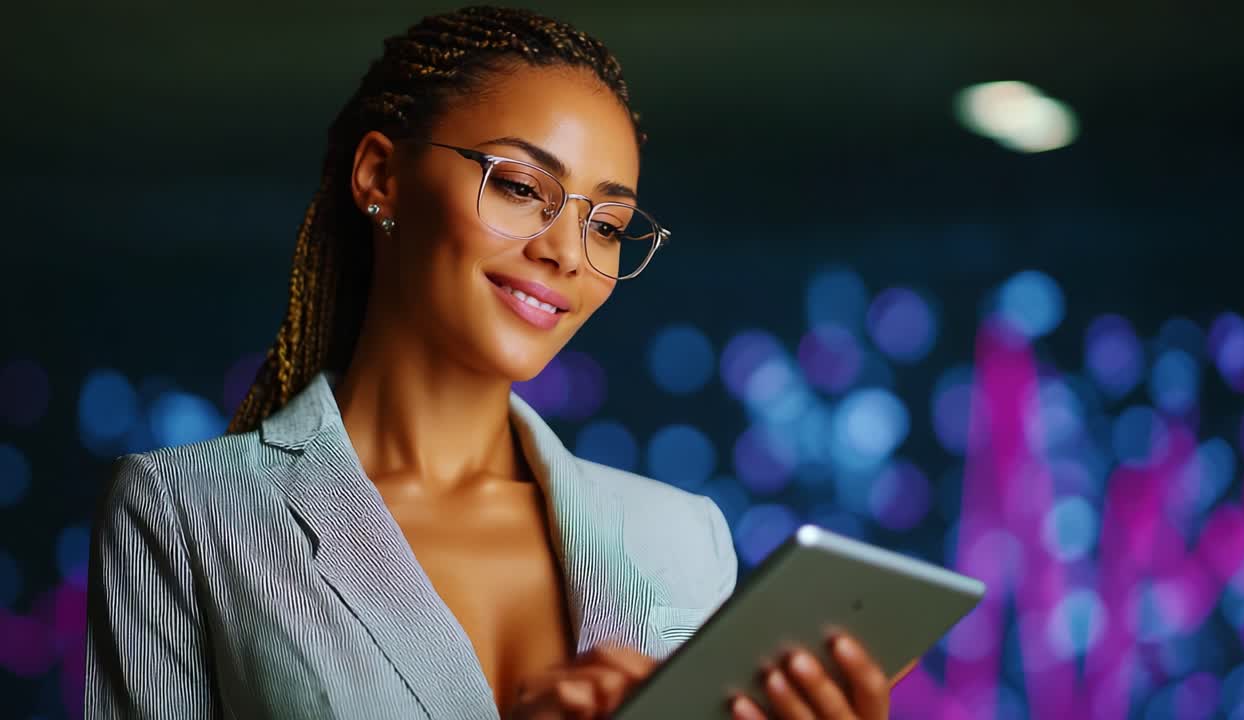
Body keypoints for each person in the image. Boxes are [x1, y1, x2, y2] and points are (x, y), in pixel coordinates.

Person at [84, 6, 905, 718]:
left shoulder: (683, 539)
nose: (566, 253)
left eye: (609, 225)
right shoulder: (186, 514)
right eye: (519, 186)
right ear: (380, 177)